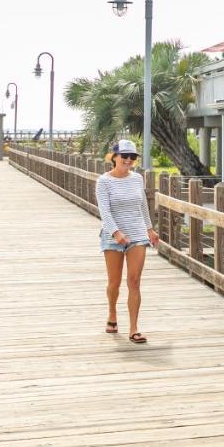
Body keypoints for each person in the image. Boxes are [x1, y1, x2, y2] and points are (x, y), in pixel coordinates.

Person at [95, 139, 159, 344]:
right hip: (113, 237)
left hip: (137, 235)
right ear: (114, 157)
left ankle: (134, 328)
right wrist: (116, 233)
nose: (129, 160)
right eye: (125, 156)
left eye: (133, 157)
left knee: (134, 281)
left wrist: (150, 229)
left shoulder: (137, 179)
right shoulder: (104, 181)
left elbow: (142, 206)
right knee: (114, 283)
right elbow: (104, 211)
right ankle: (112, 314)